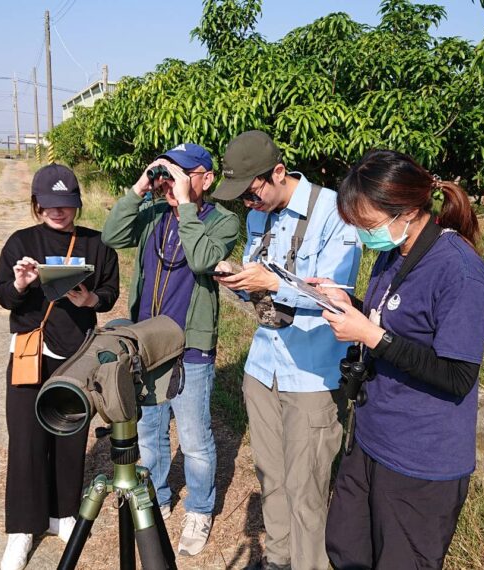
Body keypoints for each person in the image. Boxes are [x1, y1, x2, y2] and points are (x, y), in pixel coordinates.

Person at [316, 149, 484, 569]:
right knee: (346, 547)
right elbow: (394, 322)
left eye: (369, 225)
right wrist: (351, 304)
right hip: (372, 438)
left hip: (420, 460)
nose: (363, 236)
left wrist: (371, 336)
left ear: (409, 210)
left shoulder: (460, 272)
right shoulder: (393, 252)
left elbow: (456, 376)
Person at [211, 130, 363, 570]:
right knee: (271, 479)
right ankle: (277, 560)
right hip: (264, 369)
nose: (247, 204)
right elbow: (260, 287)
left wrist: (273, 283)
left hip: (311, 376)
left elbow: (337, 298)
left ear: (278, 172)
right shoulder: (260, 212)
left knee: (307, 490)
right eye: (241, 197)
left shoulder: (335, 213)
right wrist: (239, 280)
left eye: (252, 192)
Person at [101, 143, 240, 557]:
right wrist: (141, 186)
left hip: (190, 347)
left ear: (206, 179)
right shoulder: (154, 214)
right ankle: (157, 496)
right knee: (149, 429)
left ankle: (199, 508)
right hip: (145, 342)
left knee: (194, 438)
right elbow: (111, 235)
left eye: (182, 174)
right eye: (167, 172)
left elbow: (200, 260)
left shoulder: (223, 221)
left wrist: (186, 206)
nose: (170, 181)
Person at [0, 164, 119, 570]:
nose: (58, 213)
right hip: (31, 351)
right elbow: (2, 296)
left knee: (70, 436)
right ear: (36, 204)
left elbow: (110, 291)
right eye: (49, 205)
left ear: (77, 205)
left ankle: (64, 515)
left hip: (77, 354)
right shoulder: (20, 242)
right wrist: (20, 285)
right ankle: (22, 529)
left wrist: (90, 302)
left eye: (65, 205)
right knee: (26, 440)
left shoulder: (97, 244)